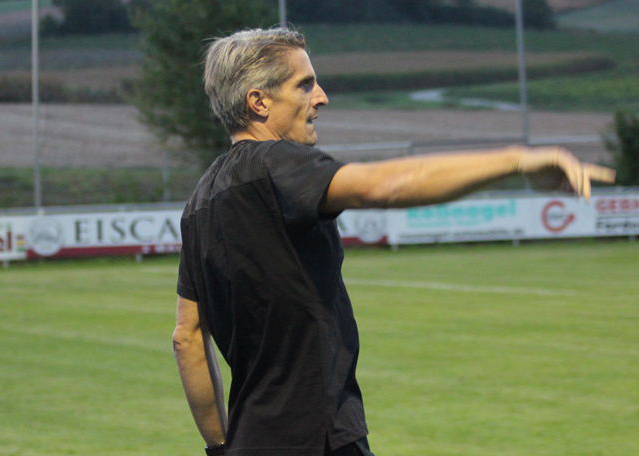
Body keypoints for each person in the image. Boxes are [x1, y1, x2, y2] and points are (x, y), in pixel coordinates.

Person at [172, 27, 615, 456]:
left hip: (252, 441)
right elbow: (383, 186)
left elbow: (187, 338)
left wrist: (220, 447)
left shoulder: (198, 204)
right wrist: (516, 160)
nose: (321, 97)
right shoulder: (277, 163)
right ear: (259, 102)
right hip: (318, 438)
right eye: (304, 85)